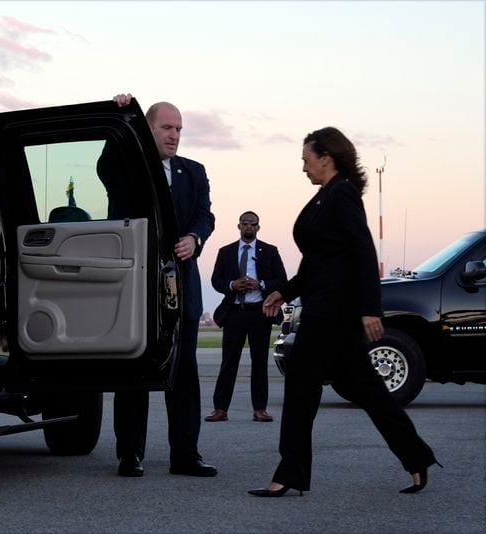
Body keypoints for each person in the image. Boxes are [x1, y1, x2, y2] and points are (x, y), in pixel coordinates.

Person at [249, 127, 439, 497]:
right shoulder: (325, 197)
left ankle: (288, 475)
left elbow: (363, 252)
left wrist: (371, 309)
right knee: (366, 390)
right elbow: (316, 263)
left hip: (332, 316)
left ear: (326, 157)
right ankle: (417, 458)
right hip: (327, 311)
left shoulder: (343, 195)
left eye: (306, 159)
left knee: (301, 389)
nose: (303, 167)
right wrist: (282, 292)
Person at [110, 94, 217, 478]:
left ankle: (185, 454)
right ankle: (129, 454)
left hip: (182, 287)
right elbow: (104, 164)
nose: (174, 136)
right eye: (166, 128)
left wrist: (195, 238)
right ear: (149, 128)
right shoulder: (127, 166)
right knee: (135, 367)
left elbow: (206, 215)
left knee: (184, 369)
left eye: (179, 129)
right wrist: (123, 116)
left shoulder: (194, 171)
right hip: (138, 283)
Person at [205, 211, 287, 423]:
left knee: (259, 362)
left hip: (260, 312)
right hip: (234, 313)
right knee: (229, 362)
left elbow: (281, 280)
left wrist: (260, 284)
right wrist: (233, 284)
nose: (248, 226)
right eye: (245, 223)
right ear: (238, 226)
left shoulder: (269, 251)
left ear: (258, 227)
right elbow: (216, 280)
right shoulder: (226, 252)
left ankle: (260, 409)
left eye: (253, 223)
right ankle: (220, 409)